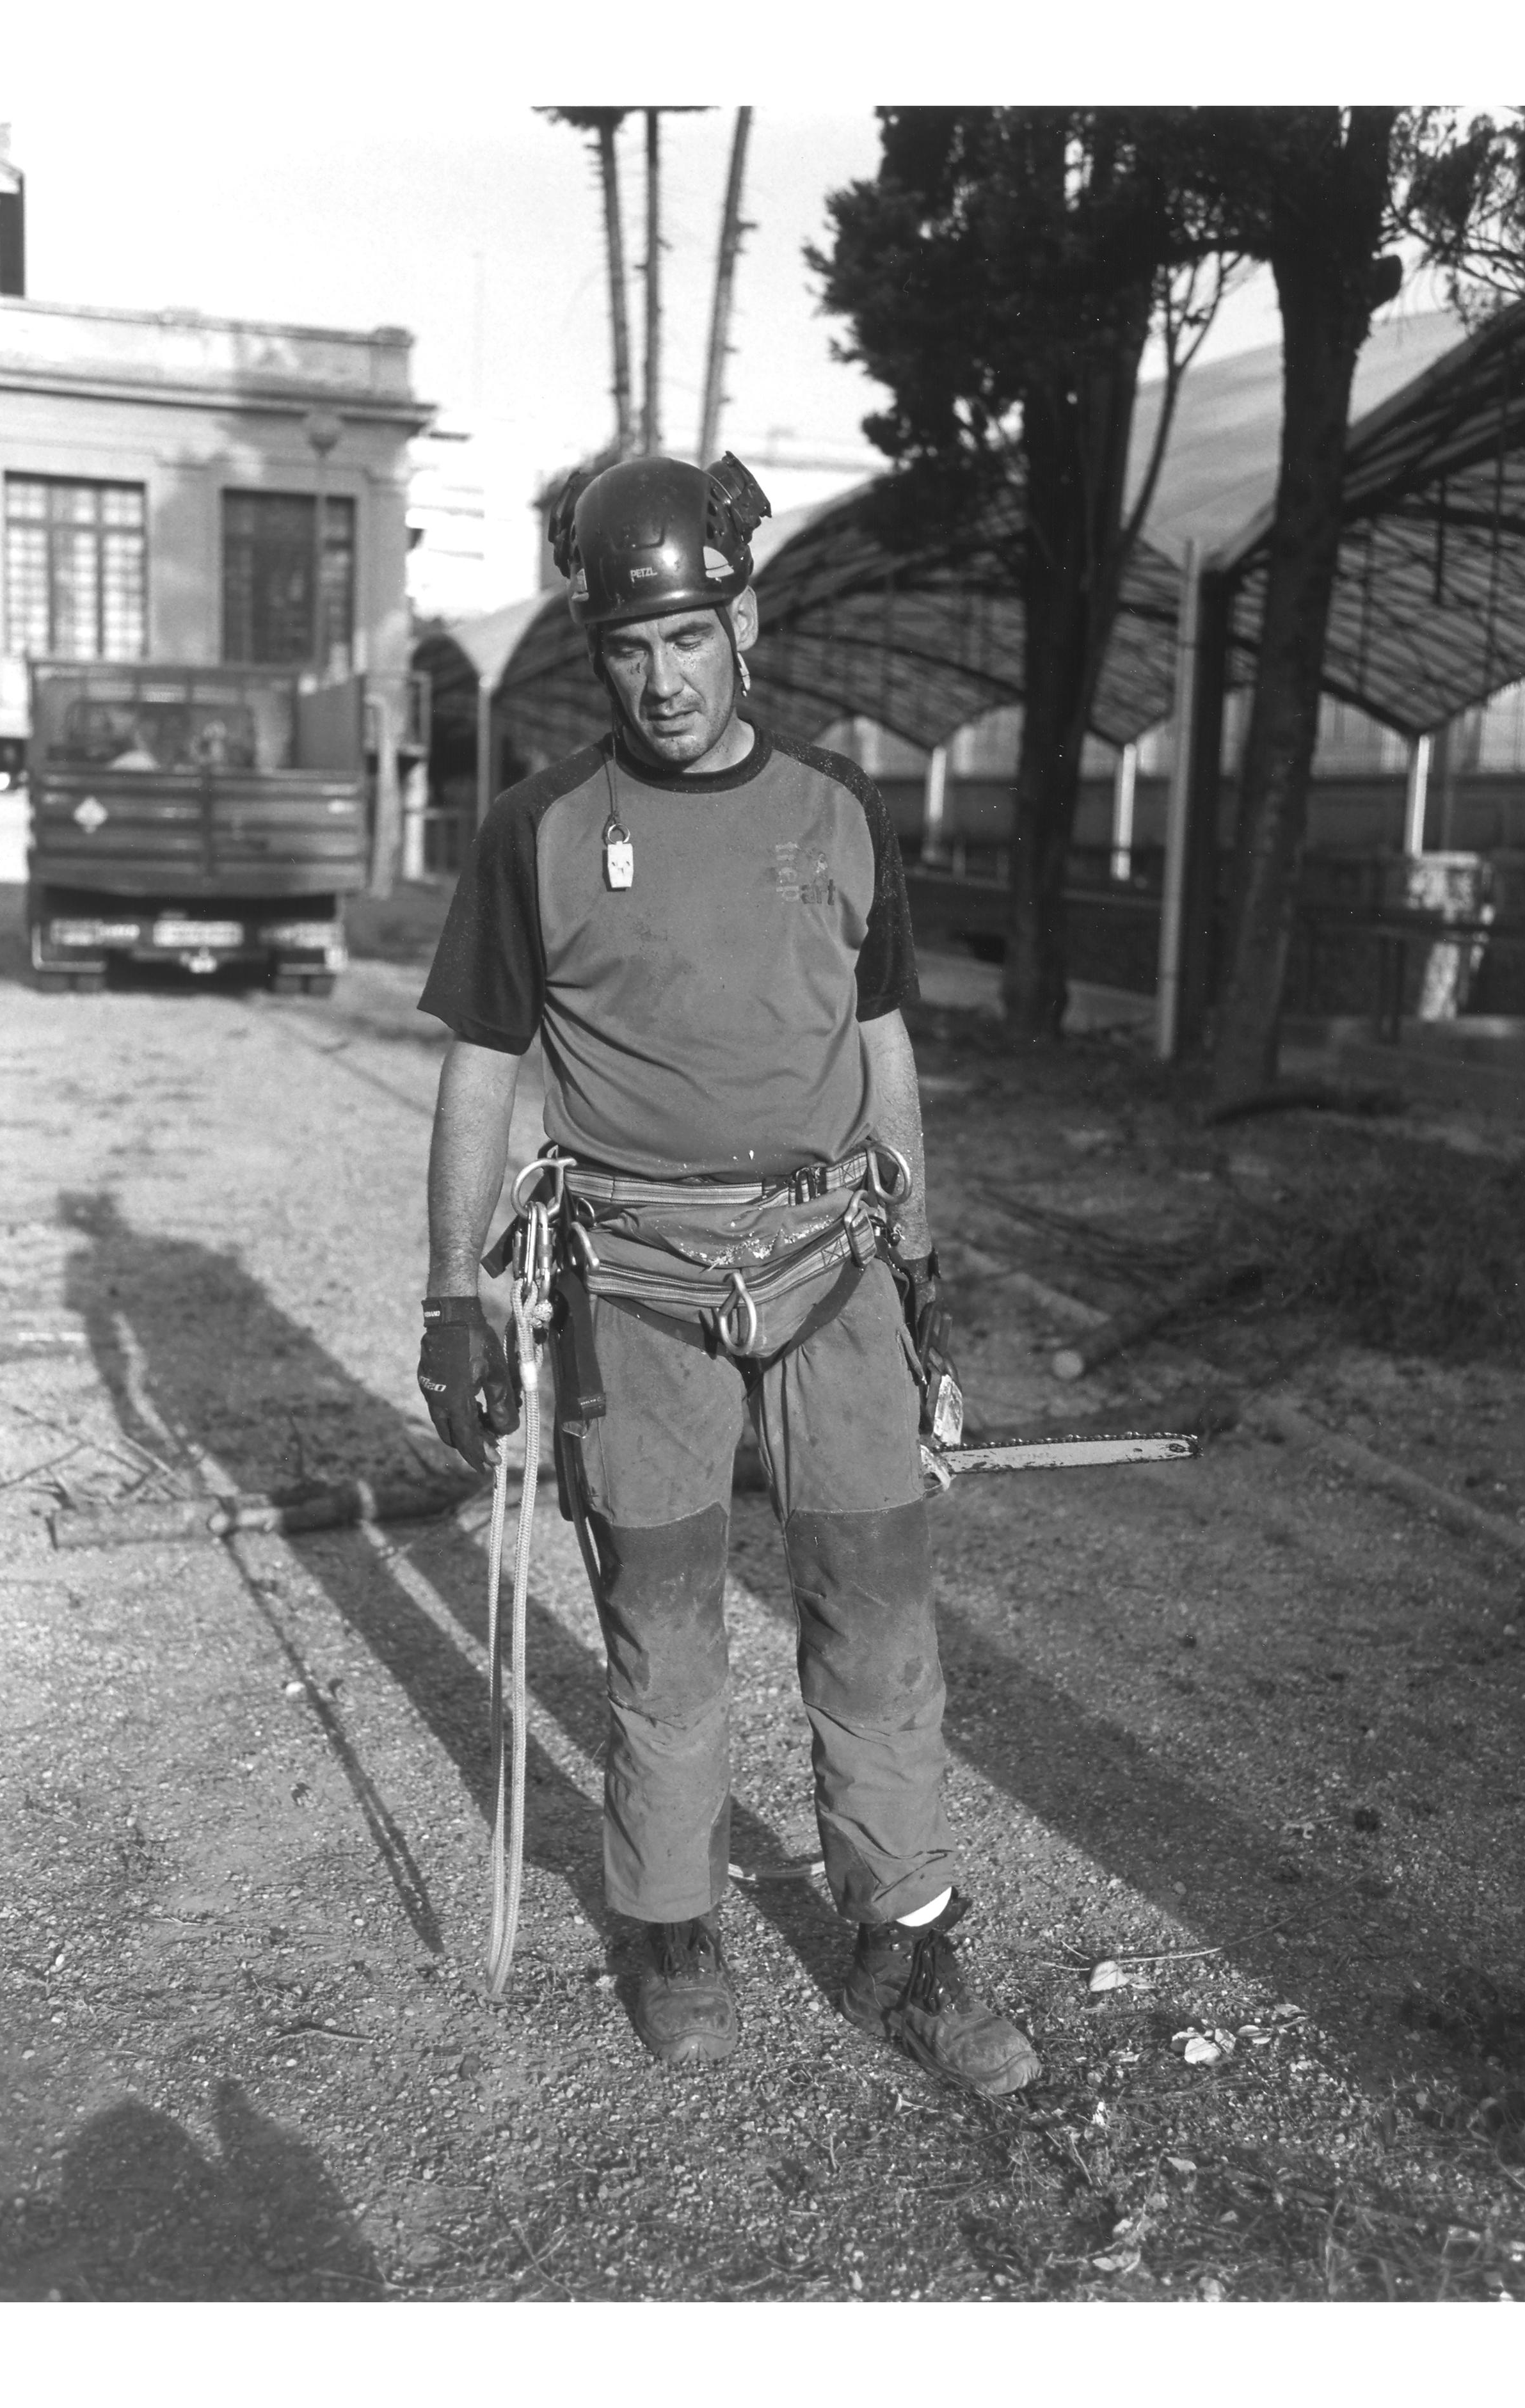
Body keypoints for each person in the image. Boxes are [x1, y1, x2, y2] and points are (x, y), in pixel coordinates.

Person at [413, 452, 1037, 2100]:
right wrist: (446, 1296)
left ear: (742, 620)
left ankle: (902, 1938)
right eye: (629, 646)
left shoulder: (836, 814)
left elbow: (882, 1039)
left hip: (835, 1267)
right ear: (599, 650)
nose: (662, 676)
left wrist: (920, 1262)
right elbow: (482, 1069)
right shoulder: (536, 832)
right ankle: (669, 1919)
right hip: (636, 1281)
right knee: (667, 1626)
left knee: (879, 1614)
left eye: (688, 635)